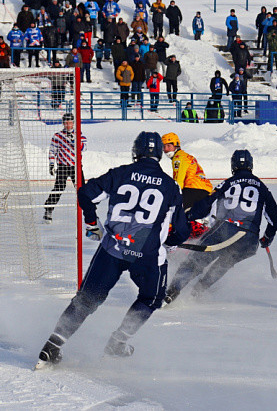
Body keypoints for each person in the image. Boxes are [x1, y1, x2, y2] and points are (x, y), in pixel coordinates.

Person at [36, 131, 190, 368]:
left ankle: (53, 345)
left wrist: (91, 222)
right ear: (159, 153)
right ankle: (118, 341)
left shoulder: (121, 173)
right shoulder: (171, 187)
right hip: (147, 255)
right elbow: (181, 230)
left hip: (113, 248)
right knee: (152, 298)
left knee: (86, 299)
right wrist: (169, 243)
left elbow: (85, 193)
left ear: (136, 151)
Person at [164, 150, 277, 303]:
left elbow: (206, 203)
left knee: (196, 261)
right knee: (224, 263)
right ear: (251, 165)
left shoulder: (228, 182)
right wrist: (267, 237)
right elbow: (276, 219)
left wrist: (188, 216)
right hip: (249, 239)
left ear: (233, 165)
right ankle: (198, 291)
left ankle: (172, 292)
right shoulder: (262, 187)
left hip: (225, 230)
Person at [43, 113, 87, 223]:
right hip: (62, 166)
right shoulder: (57, 136)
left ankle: (89, 211)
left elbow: (84, 148)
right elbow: (52, 151)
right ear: (63, 123)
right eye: (66, 123)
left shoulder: (80, 135)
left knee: (82, 189)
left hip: (75, 167)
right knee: (58, 188)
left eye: (70, 122)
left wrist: (75, 141)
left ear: (73, 123)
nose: (68, 125)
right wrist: (52, 164)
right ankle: (48, 210)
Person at [161, 132, 213, 212]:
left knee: (177, 213)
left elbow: (178, 181)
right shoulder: (186, 155)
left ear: (176, 145)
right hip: (205, 189)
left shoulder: (178, 157)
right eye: (164, 147)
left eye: (168, 146)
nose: (166, 150)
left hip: (192, 189)